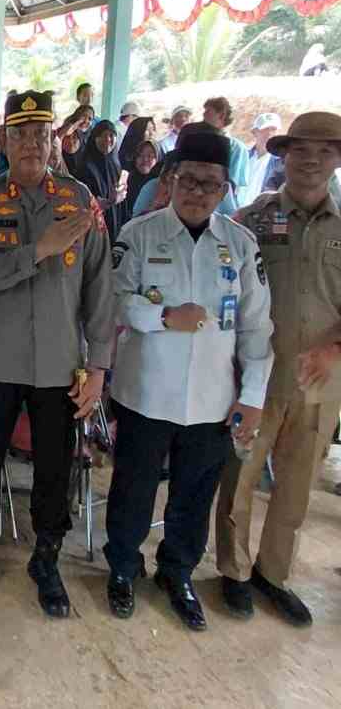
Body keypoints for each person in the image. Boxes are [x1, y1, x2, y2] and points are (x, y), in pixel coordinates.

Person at [0, 90, 113, 618]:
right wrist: (39, 249)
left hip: (61, 366)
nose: (30, 144)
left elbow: (100, 289)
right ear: (3, 140)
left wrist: (99, 369)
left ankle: (47, 557)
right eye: (20, 134)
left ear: (52, 140)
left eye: (40, 134)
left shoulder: (79, 201)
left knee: (54, 467)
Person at [106, 129, 272, 630]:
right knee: (133, 490)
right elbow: (114, 300)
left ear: (225, 189)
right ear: (171, 179)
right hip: (144, 392)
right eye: (188, 180)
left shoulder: (240, 245)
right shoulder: (139, 233)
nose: (197, 192)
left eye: (210, 183)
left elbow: (257, 328)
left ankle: (176, 572)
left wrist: (253, 396)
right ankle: (123, 566)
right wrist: (162, 317)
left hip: (212, 399)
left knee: (194, 496)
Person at [217, 112, 341, 627]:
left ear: (337, 159)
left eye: (325, 151)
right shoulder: (252, 220)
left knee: (295, 486)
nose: (312, 160)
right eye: (301, 150)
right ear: (284, 156)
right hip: (257, 379)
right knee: (240, 477)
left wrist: (335, 351)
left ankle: (273, 575)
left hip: (321, 384)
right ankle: (234, 571)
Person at [74, 120, 125, 242]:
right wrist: (102, 203)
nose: (107, 139)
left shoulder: (116, 164)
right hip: (93, 228)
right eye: (103, 135)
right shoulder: (85, 167)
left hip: (114, 224)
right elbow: (81, 200)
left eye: (111, 135)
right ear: (94, 138)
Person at [202, 97, 249, 210]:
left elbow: (233, 184)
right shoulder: (200, 143)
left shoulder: (237, 148)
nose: (204, 115)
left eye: (208, 112)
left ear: (221, 115)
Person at [238, 113, 282, 207]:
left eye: (273, 129)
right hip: (235, 212)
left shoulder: (281, 163)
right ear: (255, 132)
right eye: (265, 129)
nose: (269, 133)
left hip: (260, 214)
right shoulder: (243, 157)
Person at [124, 139, 161, 218]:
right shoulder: (127, 179)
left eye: (150, 156)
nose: (145, 159)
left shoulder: (159, 186)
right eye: (140, 155)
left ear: (157, 160)